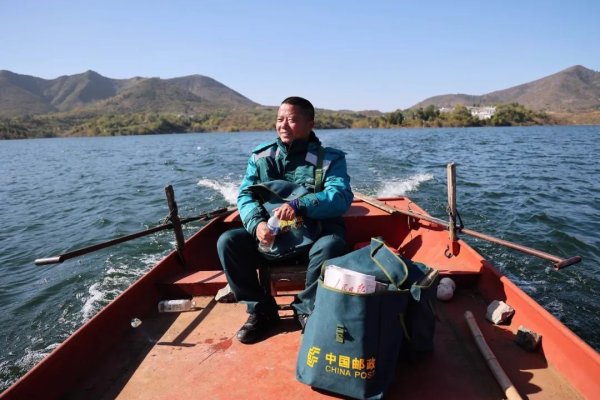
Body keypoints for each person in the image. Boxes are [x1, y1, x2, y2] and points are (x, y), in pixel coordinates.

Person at [217, 96, 353, 344]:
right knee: (228, 242)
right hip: (272, 237)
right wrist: (257, 224)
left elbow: (340, 196)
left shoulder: (330, 159)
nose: (283, 125)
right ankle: (261, 310)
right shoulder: (261, 157)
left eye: (291, 120)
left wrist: (301, 205)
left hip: (316, 233)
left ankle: (306, 309)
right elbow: (246, 195)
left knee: (332, 245)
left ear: (310, 124)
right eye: (280, 119)